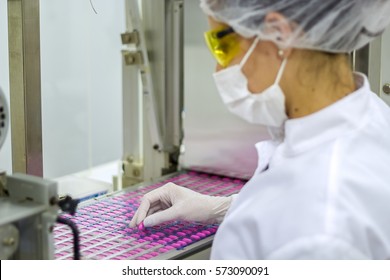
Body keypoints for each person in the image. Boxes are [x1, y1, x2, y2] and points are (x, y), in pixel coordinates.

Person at [130, 0, 390, 259]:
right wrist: (220, 208)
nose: (219, 68)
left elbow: (300, 224)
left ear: (280, 35)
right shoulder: (372, 115)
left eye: (221, 46)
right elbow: (290, 209)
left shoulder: (319, 233)